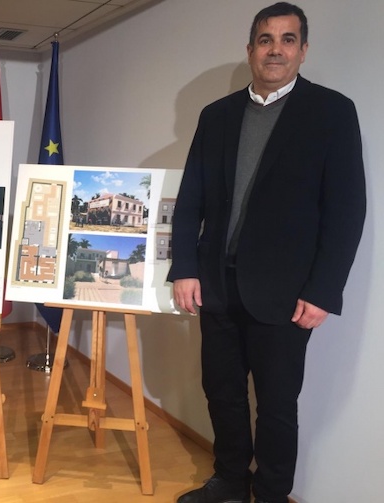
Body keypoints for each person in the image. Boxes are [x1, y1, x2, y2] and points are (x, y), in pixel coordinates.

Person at [167, 3, 366, 503]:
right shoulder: (217, 115)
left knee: (277, 405)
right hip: (216, 283)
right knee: (222, 392)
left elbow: (347, 210)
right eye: (265, 39)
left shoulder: (332, 112)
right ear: (251, 49)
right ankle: (231, 480)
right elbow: (191, 198)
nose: (276, 49)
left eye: (287, 39)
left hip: (286, 292)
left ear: (302, 50)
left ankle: (273, 493)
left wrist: (324, 290)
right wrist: (185, 267)